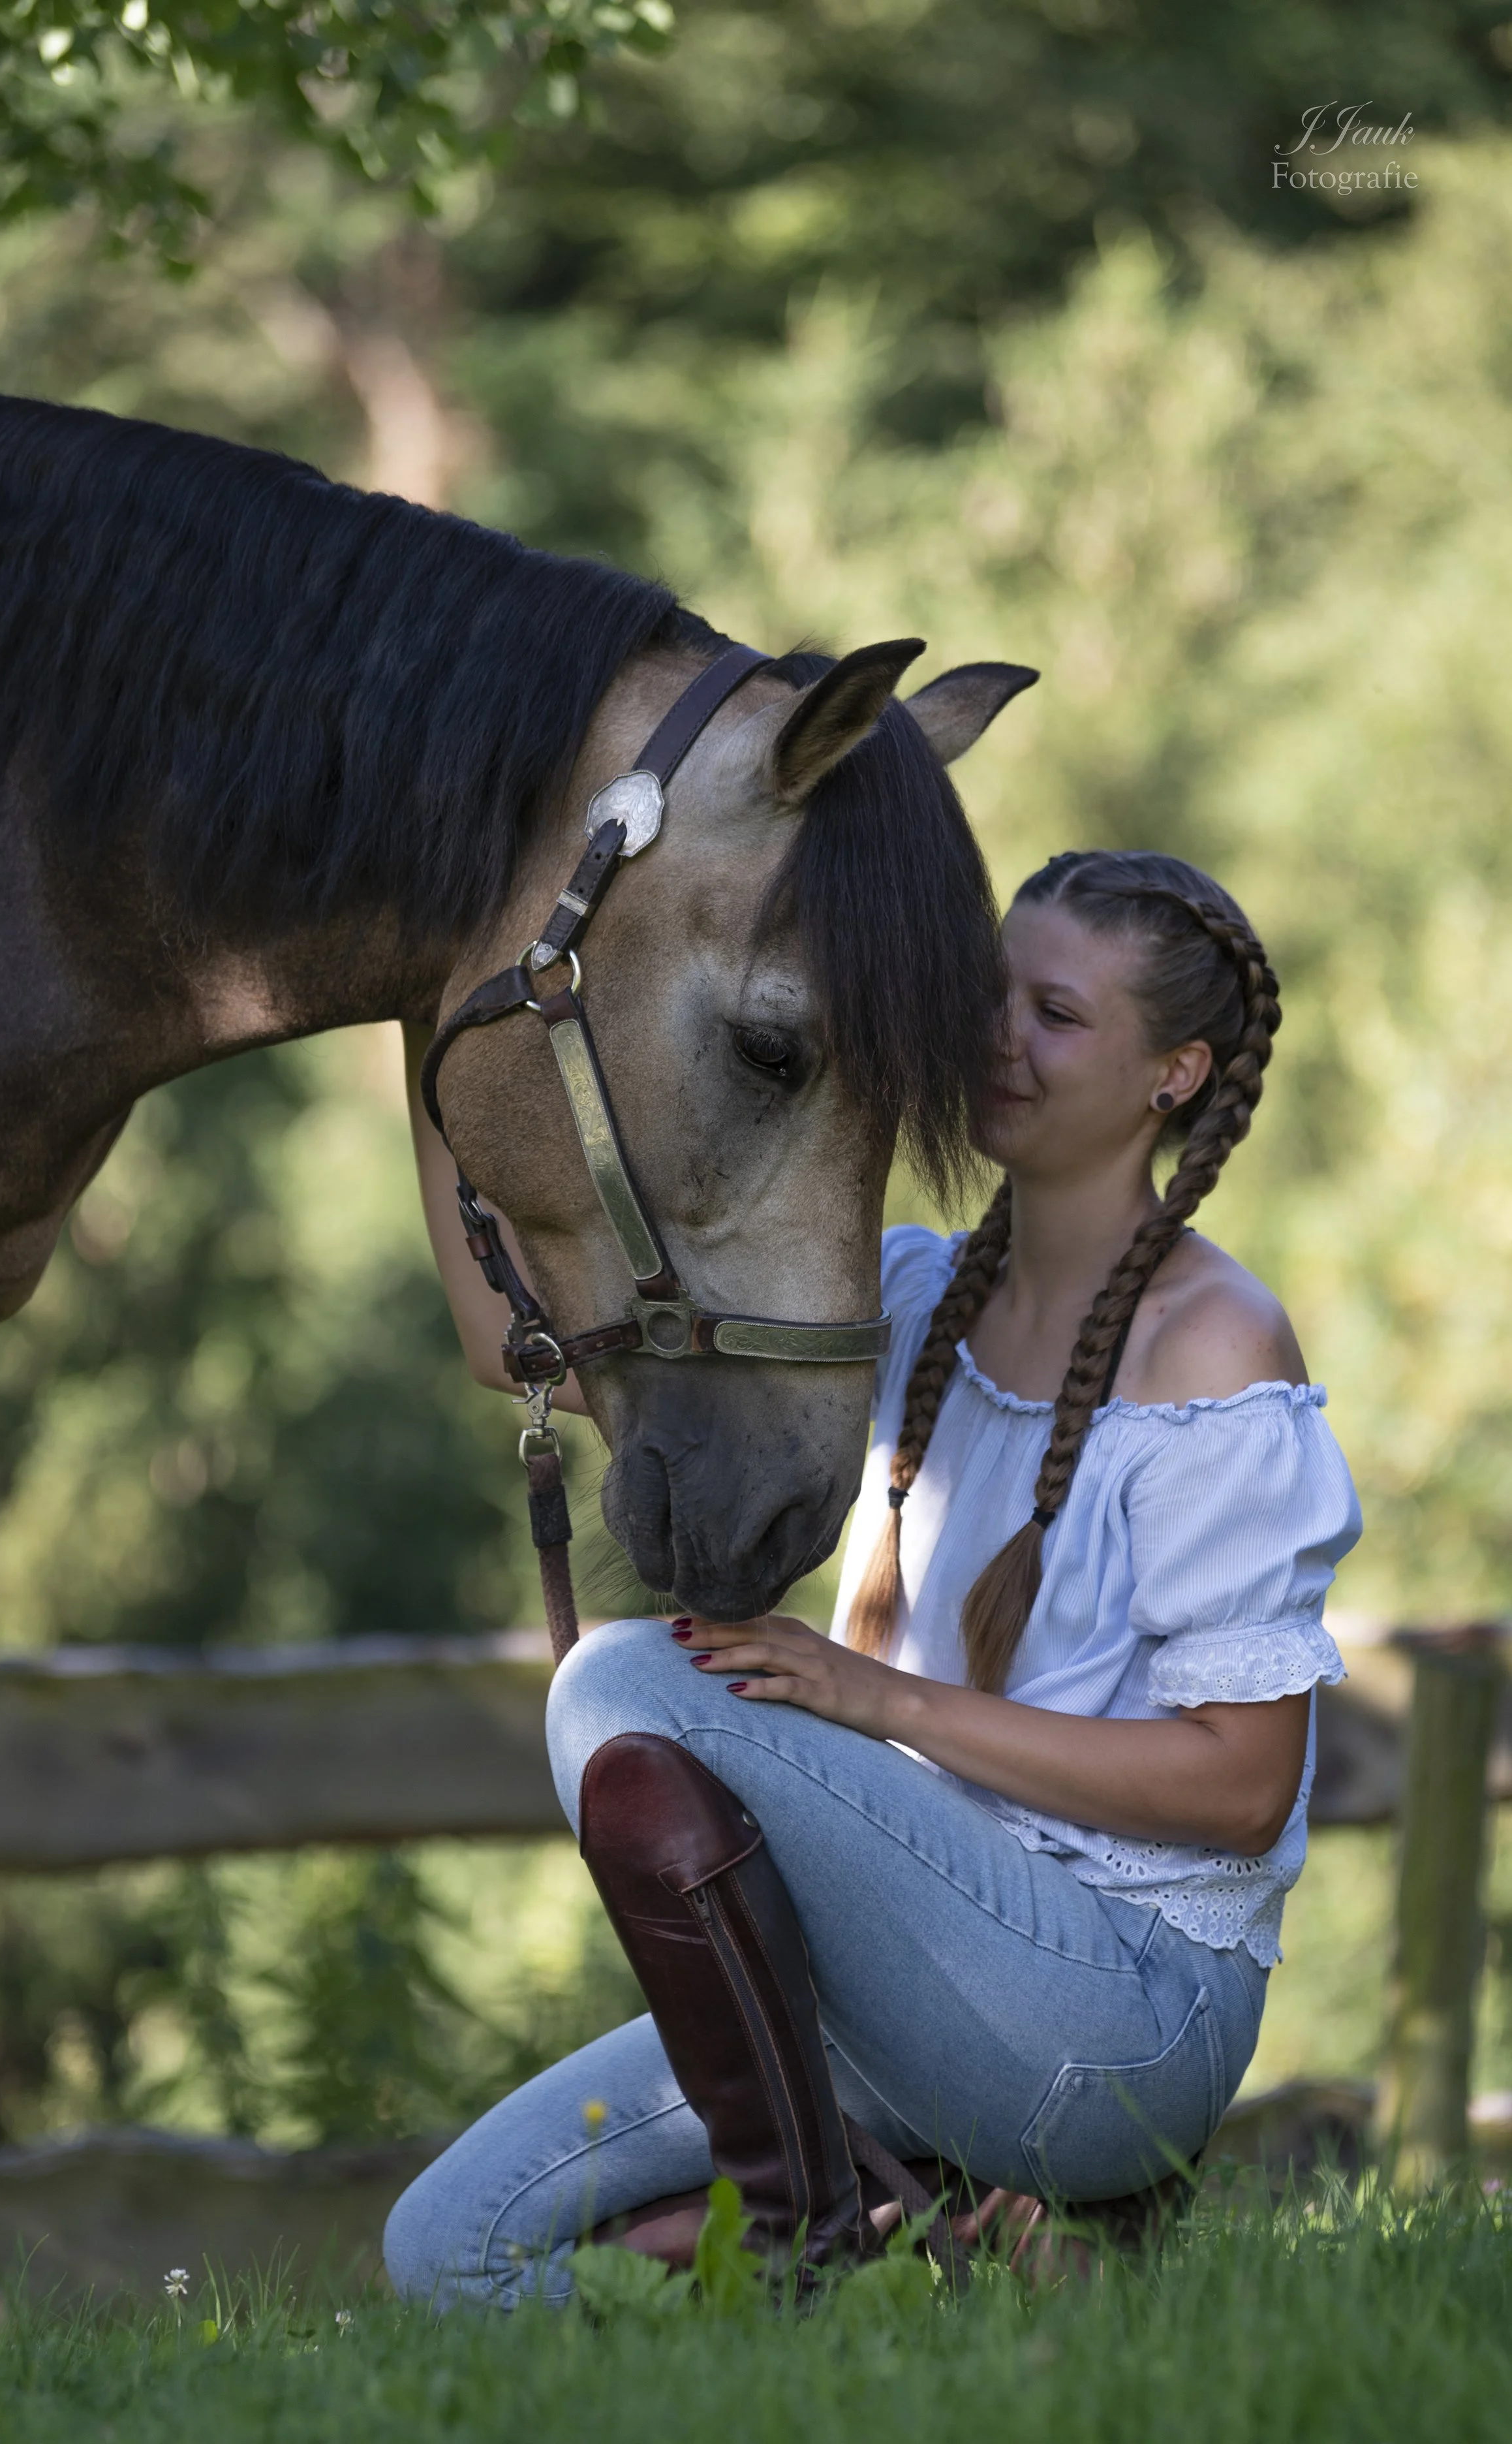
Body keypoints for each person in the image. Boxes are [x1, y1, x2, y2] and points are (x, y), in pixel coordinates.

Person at [386, 849, 1360, 2310]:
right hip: (913, 1985)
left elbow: (1237, 1786)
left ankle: (813, 2233)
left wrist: (864, 1695)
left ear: (1175, 1073)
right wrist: (429, 1040)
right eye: (990, 997)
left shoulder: (1212, 1350)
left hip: (1121, 2016)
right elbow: (506, 1346)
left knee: (626, 1678)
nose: (996, 1038)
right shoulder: (905, 1297)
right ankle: (897, 2268)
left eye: (1055, 1014)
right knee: (442, 2257)